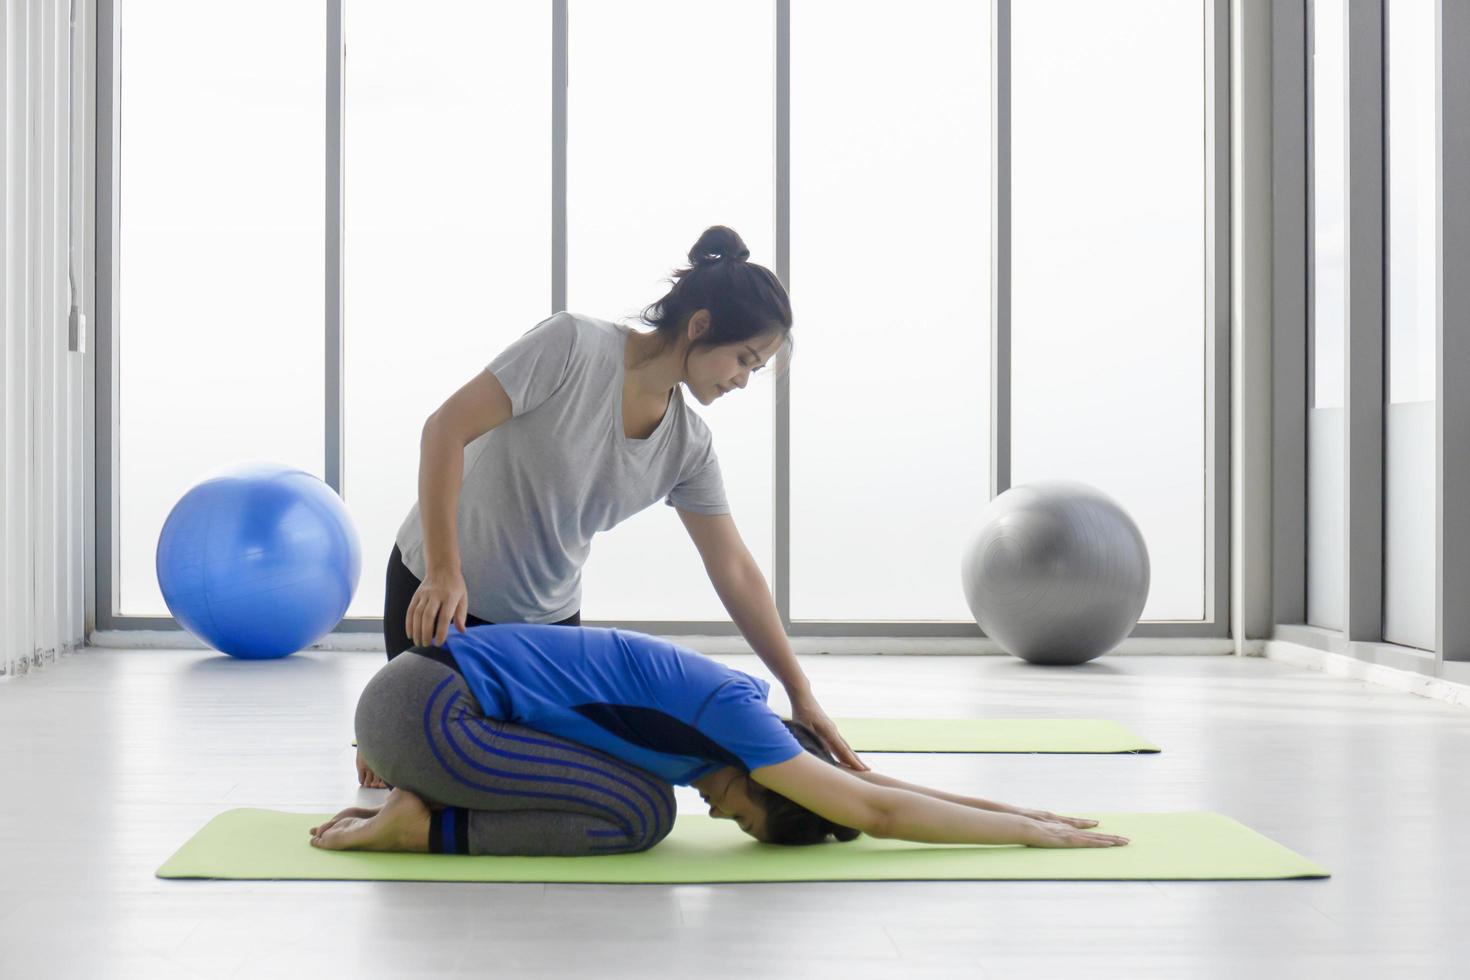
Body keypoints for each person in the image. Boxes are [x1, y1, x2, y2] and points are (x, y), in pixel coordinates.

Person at [363, 225, 857, 788]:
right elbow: (445, 429)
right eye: (742, 359)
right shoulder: (572, 345)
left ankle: (396, 739)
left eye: (755, 369)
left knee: (566, 780)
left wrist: (800, 692)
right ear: (700, 327)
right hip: (437, 597)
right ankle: (388, 733)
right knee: (429, 776)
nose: (743, 381)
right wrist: (445, 571)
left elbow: (735, 570)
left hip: (547, 627)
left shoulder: (687, 446)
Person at [313, 624, 1129, 856]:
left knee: (641, 804)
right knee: (639, 820)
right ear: (765, 773)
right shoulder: (734, 718)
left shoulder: (734, 734)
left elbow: (880, 789)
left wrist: (1023, 807)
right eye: (742, 812)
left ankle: (426, 811)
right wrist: (1025, 834)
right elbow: (876, 813)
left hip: (431, 711)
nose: (720, 812)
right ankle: (420, 828)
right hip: (424, 711)